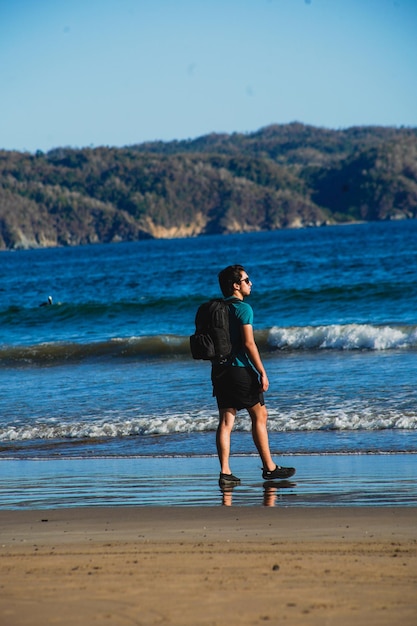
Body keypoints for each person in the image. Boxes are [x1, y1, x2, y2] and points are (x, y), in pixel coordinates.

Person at [212, 265, 295, 486]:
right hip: (240, 370)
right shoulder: (243, 309)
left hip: (219, 371)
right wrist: (262, 372)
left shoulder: (216, 309)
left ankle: (225, 472)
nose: (251, 283)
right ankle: (269, 468)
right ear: (236, 286)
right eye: (247, 280)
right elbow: (249, 344)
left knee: (226, 421)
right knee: (259, 416)